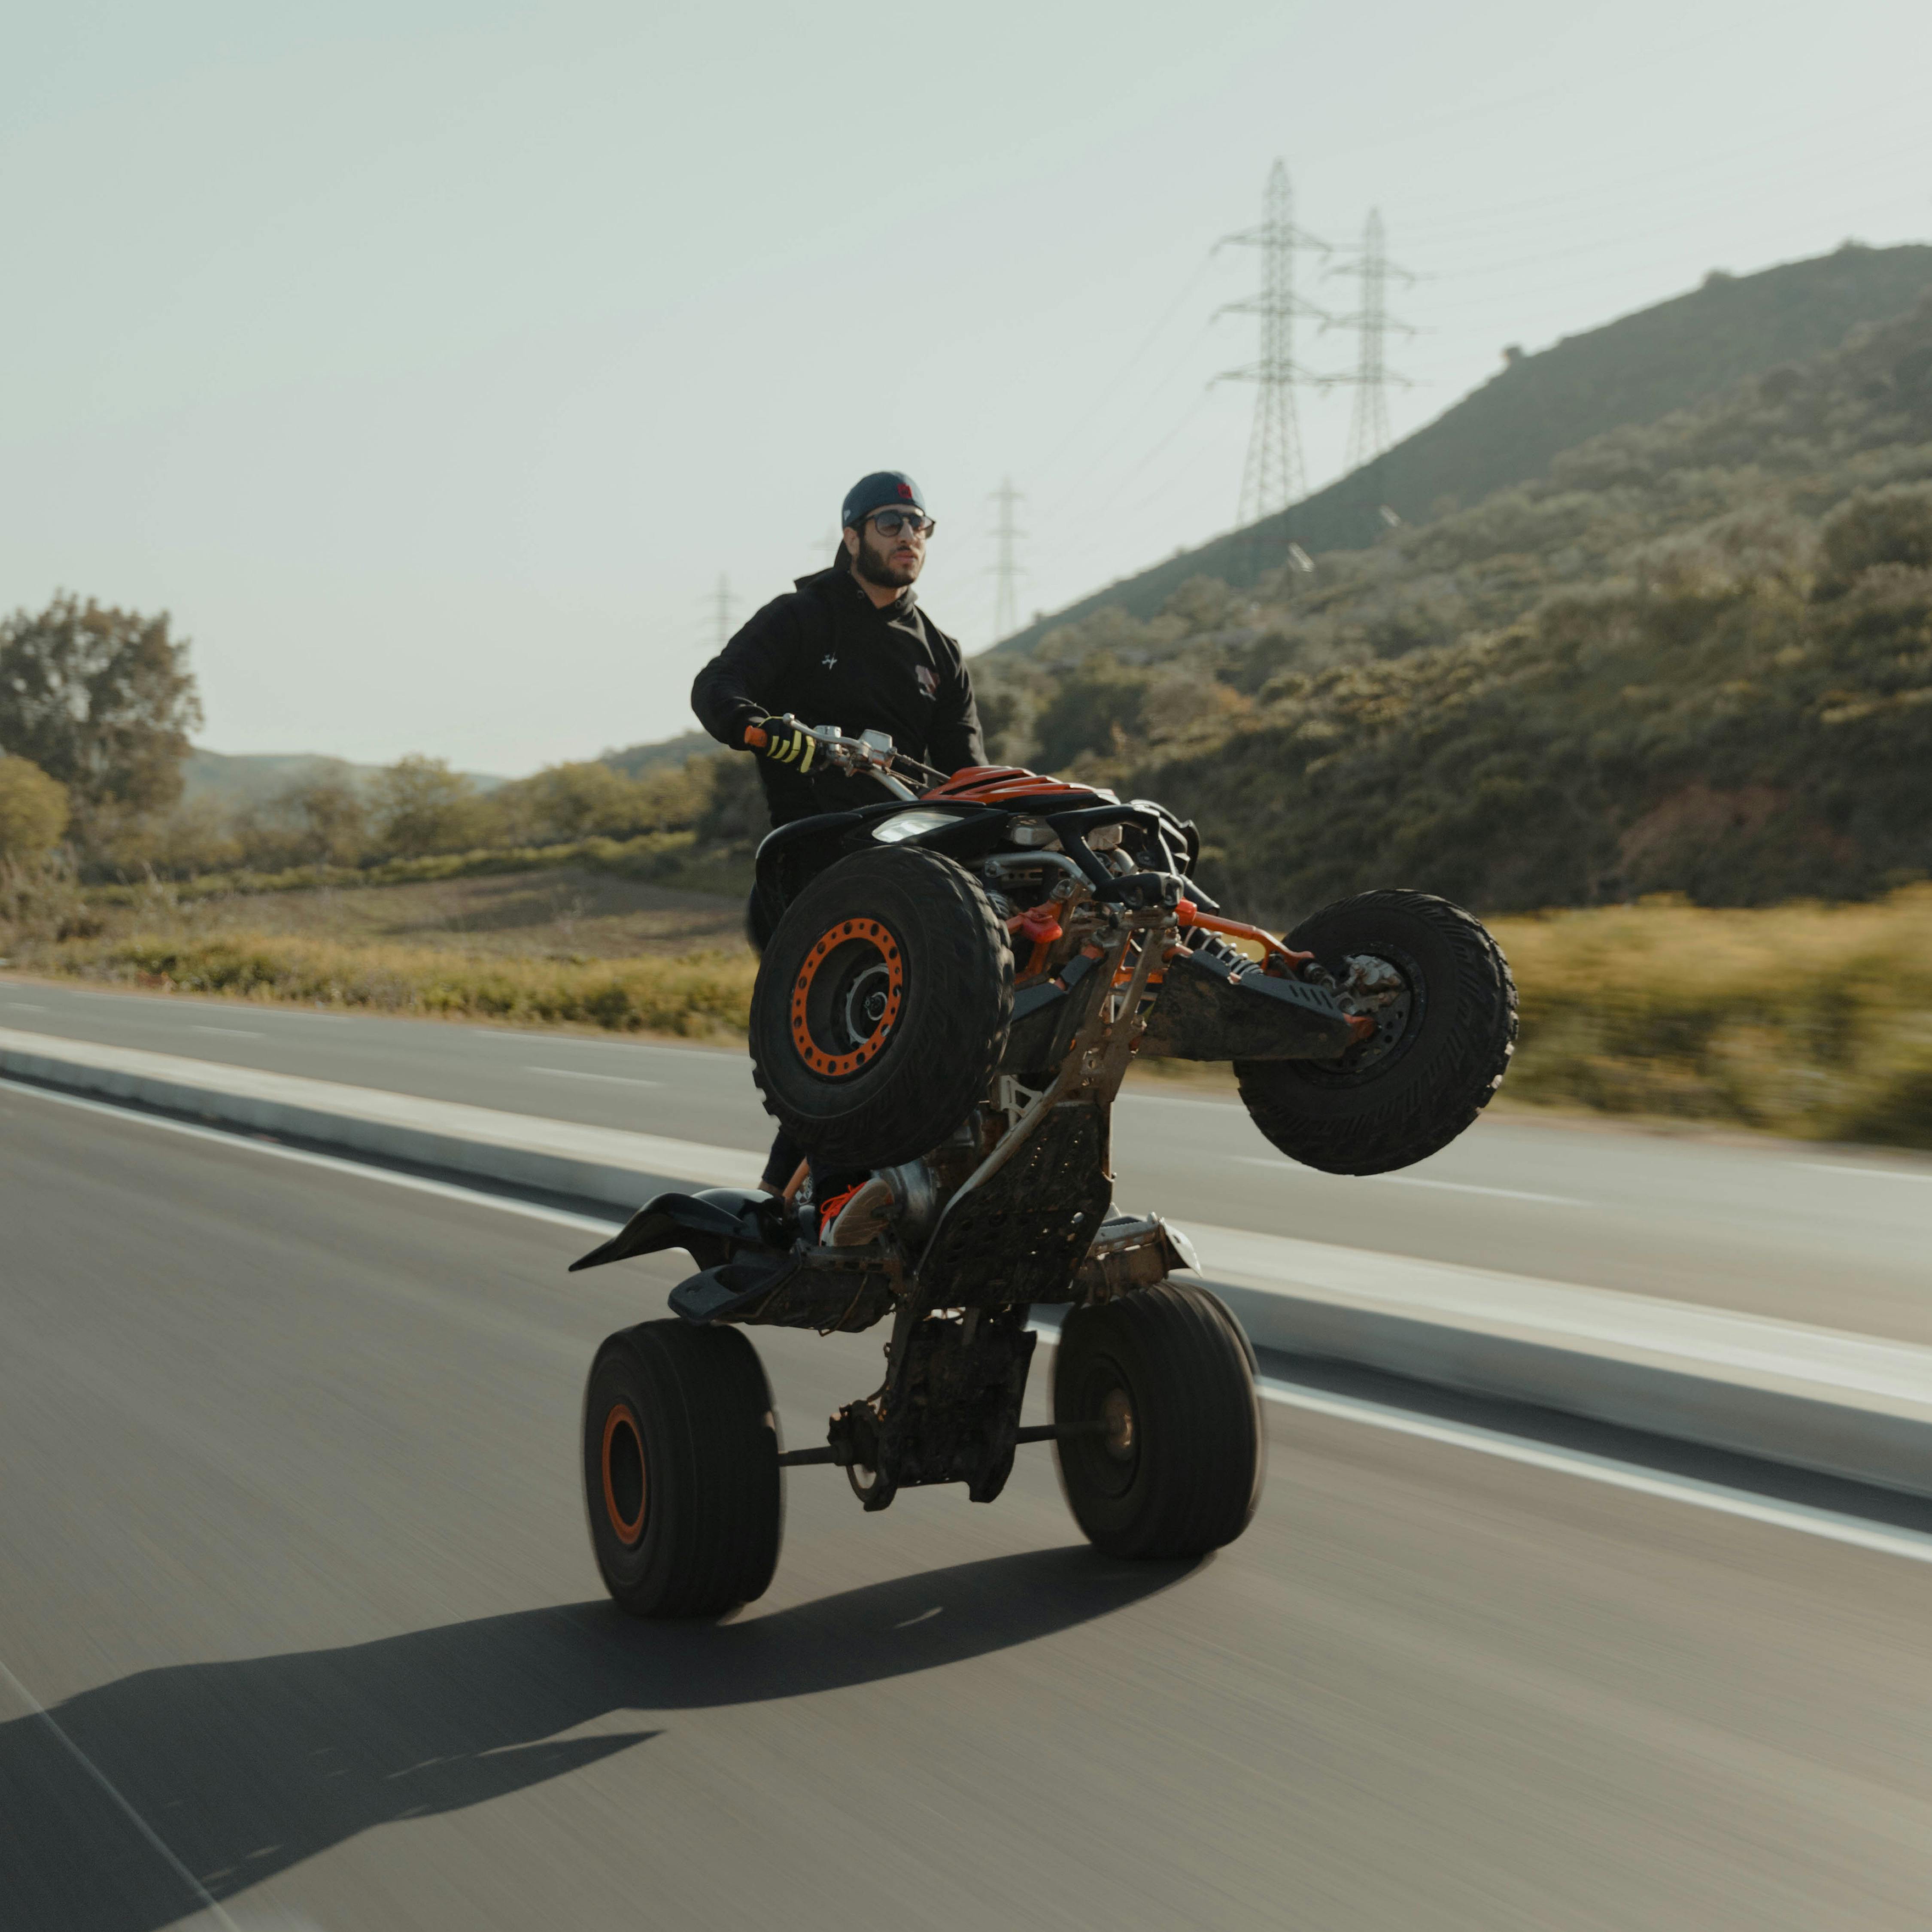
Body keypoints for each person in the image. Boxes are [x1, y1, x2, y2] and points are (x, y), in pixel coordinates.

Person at [691, 469, 986, 1224]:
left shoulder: (940, 652)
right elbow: (718, 690)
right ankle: (838, 1196)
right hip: (808, 865)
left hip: (909, 872)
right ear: (852, 535)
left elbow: (967, 774)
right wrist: (772, 734)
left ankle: (779, 1207)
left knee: (960, 1021)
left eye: (920, 527)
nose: (909, 539)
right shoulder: (802, 617)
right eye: (891, 524)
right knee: (849, 1031)